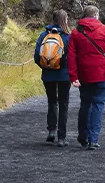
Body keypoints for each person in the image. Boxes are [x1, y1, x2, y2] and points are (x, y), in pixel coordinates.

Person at [67, 5, 105, 150]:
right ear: (96, 15)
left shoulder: (76, 32)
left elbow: (71, 56)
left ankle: (83, 136)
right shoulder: (104, 30)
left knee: (85, 104)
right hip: (101, 74)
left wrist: (73, 76)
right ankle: (93, 139)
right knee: (98, 105)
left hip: (83, 74)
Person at [34, 9, 71, 147]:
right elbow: (71, 58)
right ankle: (61, 137)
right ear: (65, 19)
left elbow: (37, 57)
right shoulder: (68, 36)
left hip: (48, 75)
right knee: (64, 104)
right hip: (64, 75)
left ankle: (51, 131)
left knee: (52, 102)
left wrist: (46, 67)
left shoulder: (44, 35)